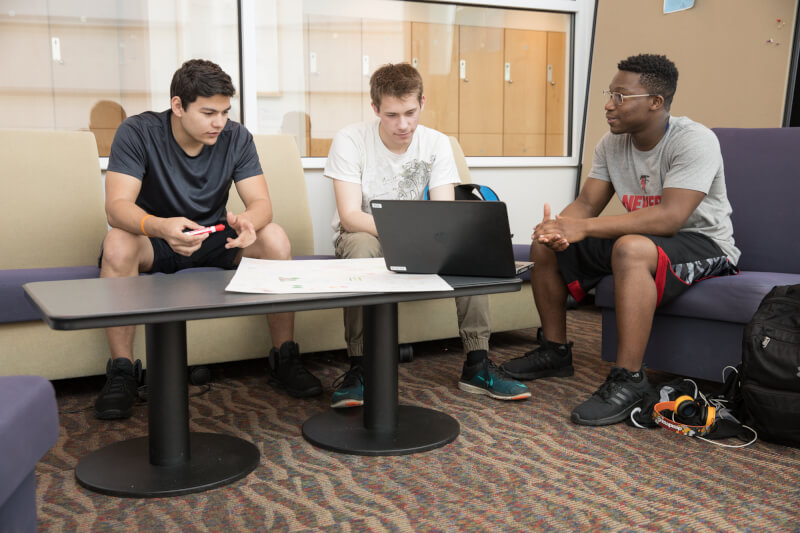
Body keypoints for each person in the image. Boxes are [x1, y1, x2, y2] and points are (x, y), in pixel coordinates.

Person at [500, 54, 740, 426]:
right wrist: (559, 227)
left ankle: (630, 378)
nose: (609, 105)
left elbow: (671, 217)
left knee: (629, 247)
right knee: (545, 245)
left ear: (655, 102)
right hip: (644, 240)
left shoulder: (695, 140)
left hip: (703, 243)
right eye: (609, 94)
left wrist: (585, 228)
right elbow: (586, 203)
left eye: (620, 96)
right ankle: (555, 351)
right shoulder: (612, 144)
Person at [95, 59, 322, 419]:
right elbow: (116, 208)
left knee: (274, 238)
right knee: (117, 244)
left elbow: (262, 204)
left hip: (215, 237)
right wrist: (161, 227)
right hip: (157, 238)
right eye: (208, 112)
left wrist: (248, 221)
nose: (219, 122)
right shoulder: (137, 132)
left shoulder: (236, 137)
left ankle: (284, 358)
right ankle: (122, 371)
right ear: (178, 106)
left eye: (225, 112)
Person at [323, 62, 530, 408]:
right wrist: (405, 233)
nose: (402, 125)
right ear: (375, 109)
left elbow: (443, 214)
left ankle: (477, 364)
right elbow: (350, 216)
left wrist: (429, 237)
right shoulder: (349, 140)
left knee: (468, 249)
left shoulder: (436, 143)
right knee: (359, 245)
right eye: (391, 115)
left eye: (409, 112)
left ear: (422, 103)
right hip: (367, 235)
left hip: (420, 237)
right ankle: (360, 367)